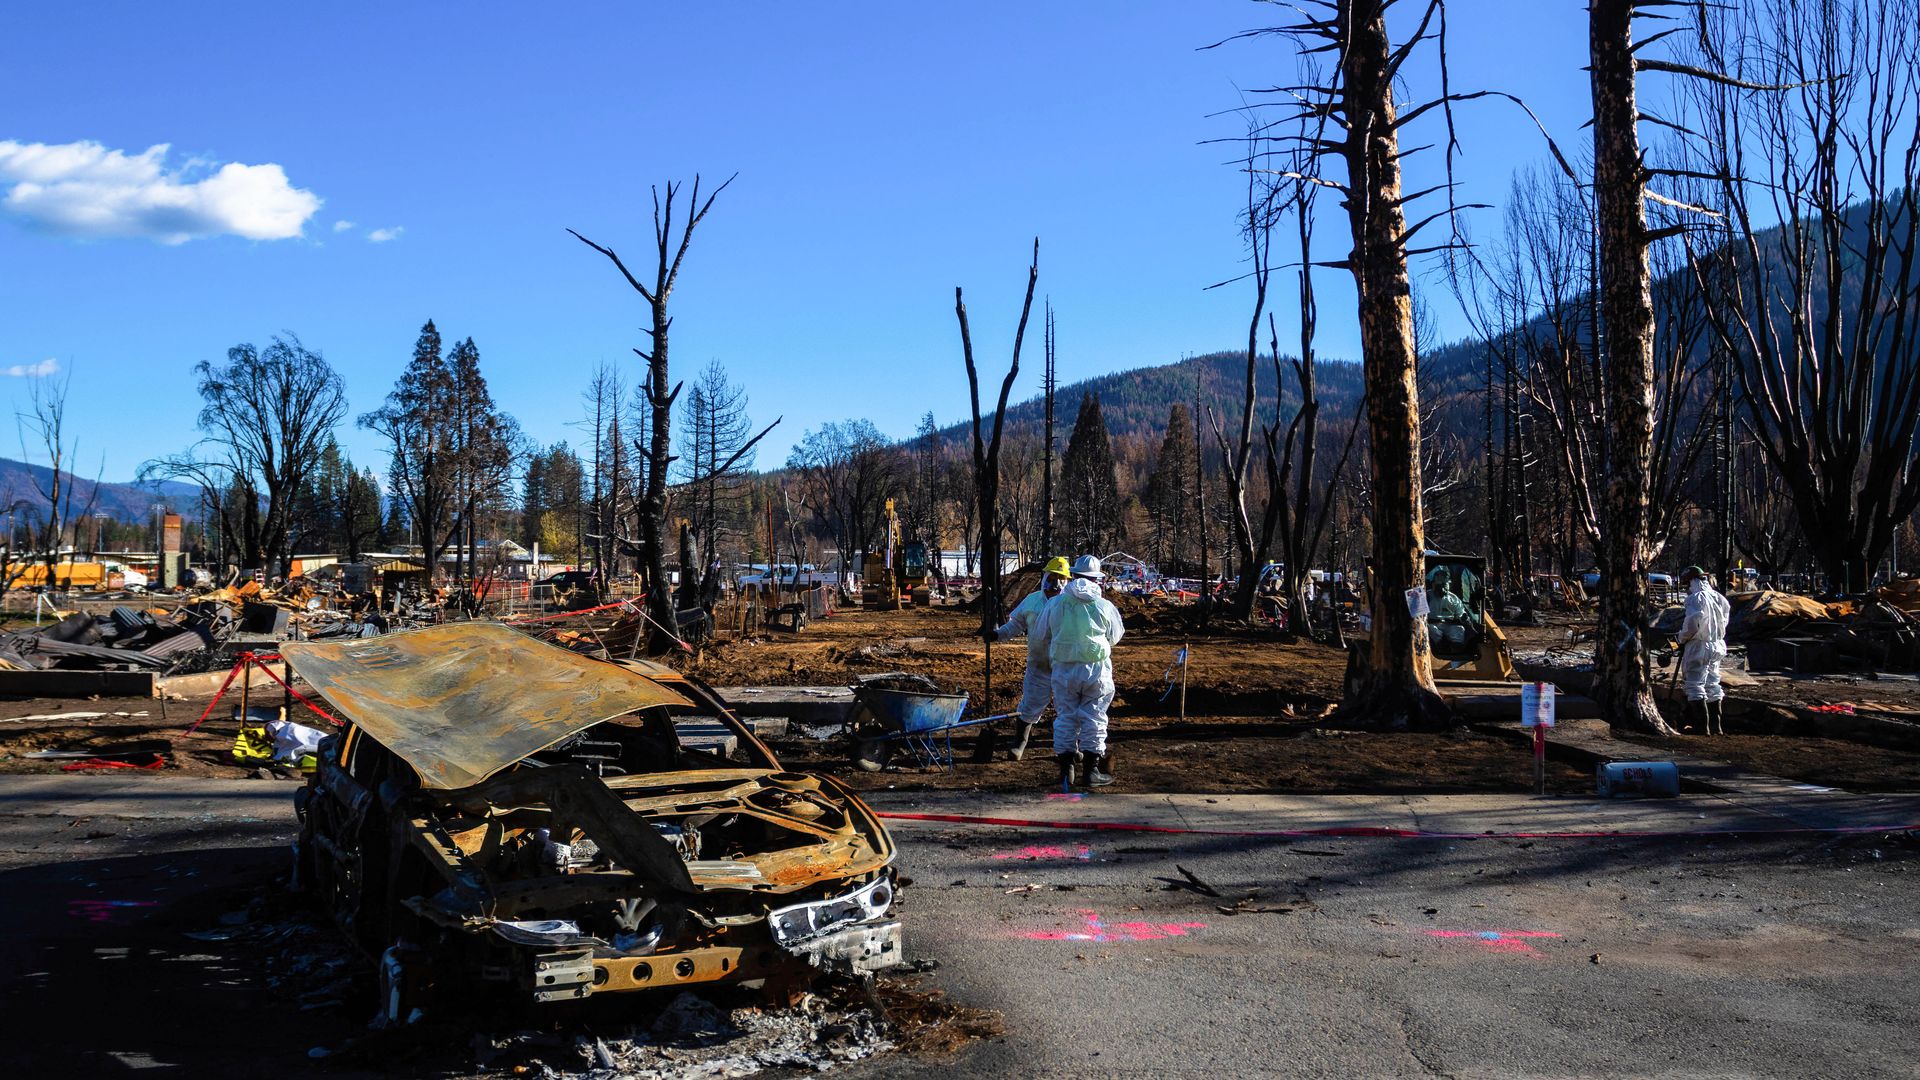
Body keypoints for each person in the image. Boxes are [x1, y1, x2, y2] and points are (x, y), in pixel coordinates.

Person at [1034, 555, 1126, 788]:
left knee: (1066, 716)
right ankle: (1091, 771)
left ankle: (1067, 771)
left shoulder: (1056, 603)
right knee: (1094, 716)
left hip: (1064, 669)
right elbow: (1115, 637)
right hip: (1096, 670)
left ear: (1073, 576)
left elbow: (1040, 634)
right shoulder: (1104, 606)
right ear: (1097, 580)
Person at [988, 557, 1070, 760]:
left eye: (1061, 579)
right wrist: (997, 634)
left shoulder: (1072, 604)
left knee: (1069, 708)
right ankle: (1020, 743)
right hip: (1039, 666)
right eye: (1052, 578)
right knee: (1031, 704)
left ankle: (1070, 749)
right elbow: (1016, 624)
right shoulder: (1032, 601)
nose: (1055, 584)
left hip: (1066, 667)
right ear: (1044, 578)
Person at [1677, 565, 1731, 734]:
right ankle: (1716, 727)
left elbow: (1693, 621)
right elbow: (1724, 619)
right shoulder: (1719, 597)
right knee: (1712, 684)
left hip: (1699, 644)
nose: (1686, 589)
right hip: (1717, 644)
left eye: (1686, 585)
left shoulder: (1696, 598)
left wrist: (1682, 637)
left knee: (1694, 685)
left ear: (1692, 582)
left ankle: (1702, 728)